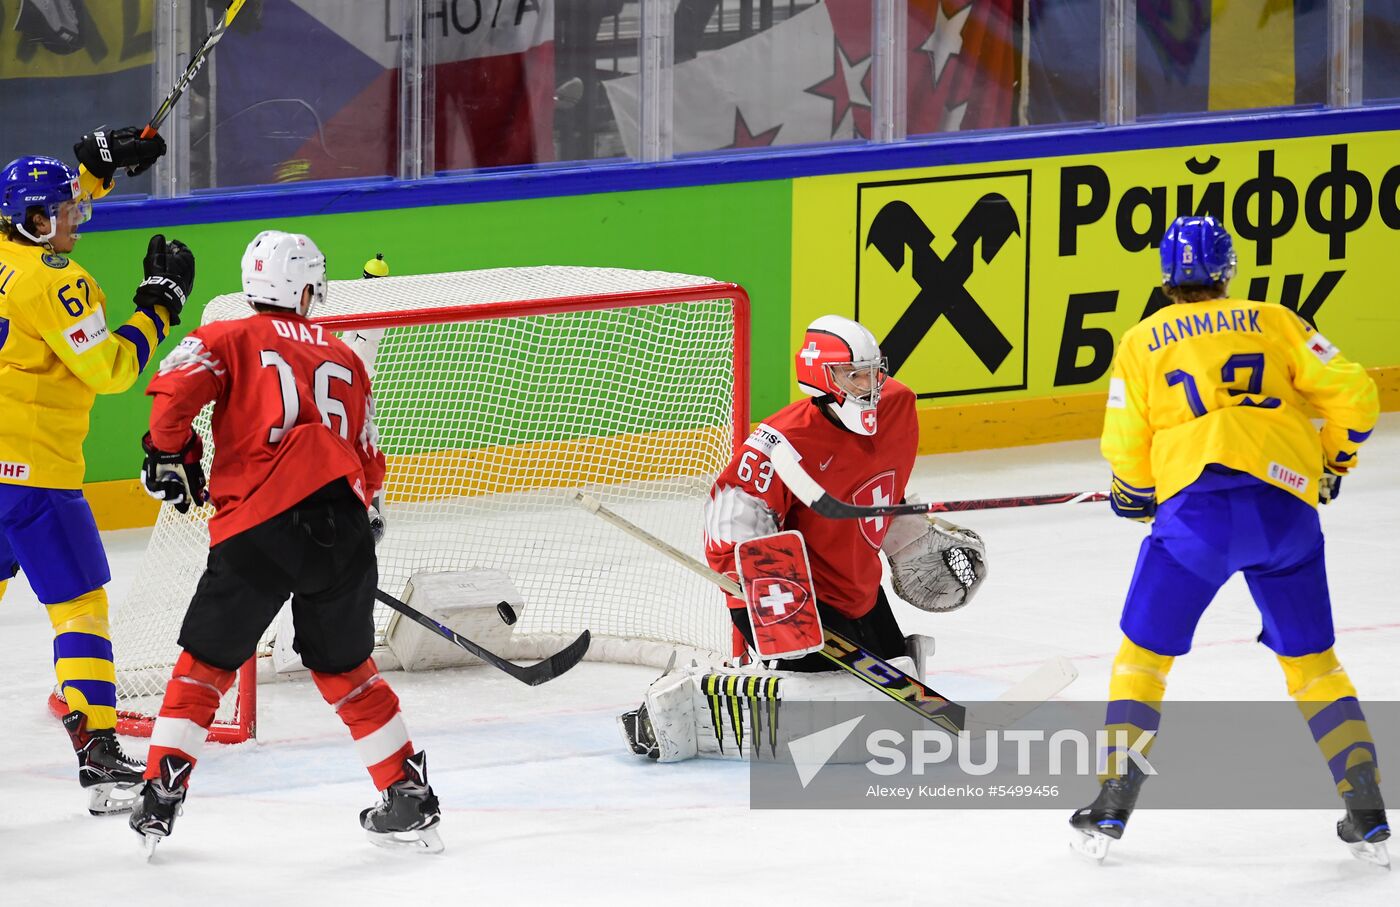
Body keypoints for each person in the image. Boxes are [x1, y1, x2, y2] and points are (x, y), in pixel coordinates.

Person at [1070, 215, 1387, 865]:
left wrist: (1133, 491)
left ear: (1165, 279)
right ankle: (1365, 803)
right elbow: (1357, 395)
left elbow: (1125, 443)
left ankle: (1113, 797)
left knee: (1143, 656)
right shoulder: (1277, 320)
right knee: (1314, 664)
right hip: (1284, 514)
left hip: (1196, 523)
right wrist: (1332, 463)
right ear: (1228, 270)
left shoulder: (1142, 339)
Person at [129, 230, 441, 855]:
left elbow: (171, 401)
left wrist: (171, 452)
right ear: (305, 288)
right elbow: (369, 459)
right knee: (346, 667)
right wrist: (360, 516)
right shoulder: (347, 358)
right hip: (343, 526)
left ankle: (162, 791)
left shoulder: (225, 336)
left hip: (259, 526)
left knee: (208, 662)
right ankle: (406, 790)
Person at [618, 315, 987, 761]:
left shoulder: (899, 406)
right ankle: (678, 704)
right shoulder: (779, 444)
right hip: (789, 596)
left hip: (857, 590)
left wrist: (908, 540)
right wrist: (778, 600)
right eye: (854, 375)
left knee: (890, 697)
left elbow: (885, 490)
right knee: (813, 710)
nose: (869, 385)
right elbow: (727, 524)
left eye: (875, 371)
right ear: (821, 377)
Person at [0, 127, 185, 815]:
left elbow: (34, 214)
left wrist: (90, 173)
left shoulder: (8, 248)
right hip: (37, 473)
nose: (78, 217)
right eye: (68, 210)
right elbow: (110, 370)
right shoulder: (61, 283)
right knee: (79, 606)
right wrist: (158, 308)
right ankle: (99, 751)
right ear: (37, 220)